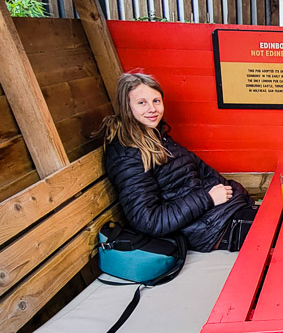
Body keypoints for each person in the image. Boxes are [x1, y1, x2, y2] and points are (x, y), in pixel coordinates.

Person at [99, 72, 257, 253]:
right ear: (126, 107)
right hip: (211, 230)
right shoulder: (127, 154)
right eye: (142, 103)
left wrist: (238, 194)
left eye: (156, 101)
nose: (152, 109)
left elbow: (204, 171)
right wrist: (208, 198)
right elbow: (149, 220)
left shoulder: (160, 138)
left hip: (222, 215)